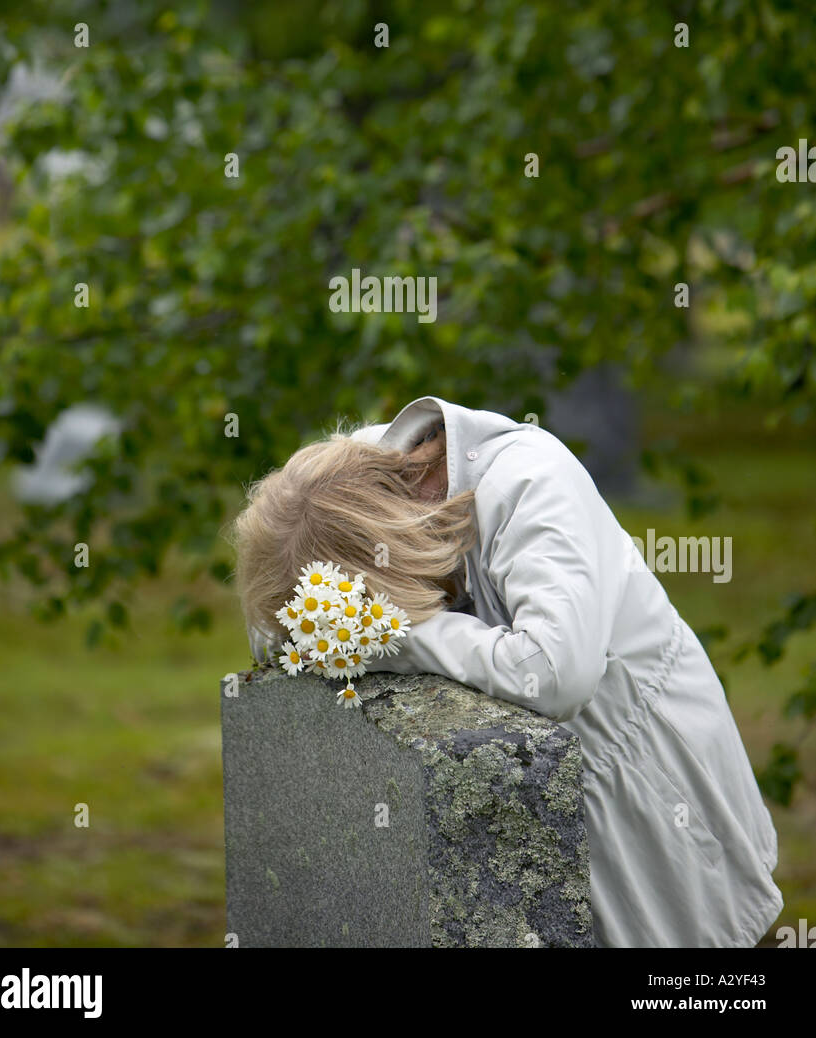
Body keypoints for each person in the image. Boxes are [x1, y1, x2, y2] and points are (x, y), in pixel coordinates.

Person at [232, 394, 784, 948]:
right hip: (553, 806)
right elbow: (281, 629)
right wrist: (331, 625)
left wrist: (396, 631)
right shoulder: (346, 496)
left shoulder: (529, 480)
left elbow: (552, 671)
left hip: (652, 789)